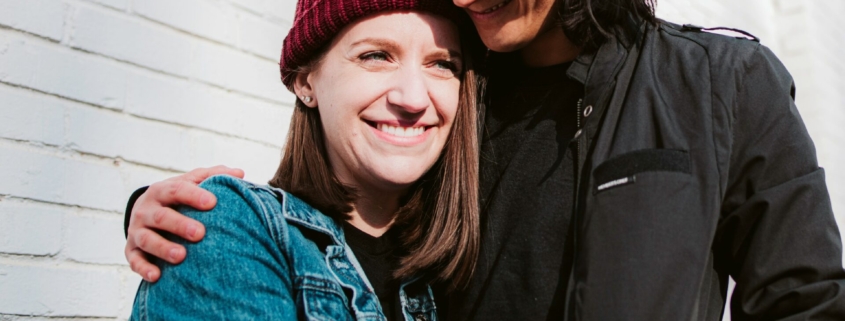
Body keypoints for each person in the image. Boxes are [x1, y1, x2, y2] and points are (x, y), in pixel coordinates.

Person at [125, 0, 845, 319]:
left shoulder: (721, 82)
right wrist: (173, 216)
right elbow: (336, 236)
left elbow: (805, 305)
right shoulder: (452, 97)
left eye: (433, 63)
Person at [128, 1, 483, 320]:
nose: (414, 97)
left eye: (441, 64)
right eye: (375, 56)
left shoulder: (463, 267)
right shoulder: (234, 228)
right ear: (305, 83)